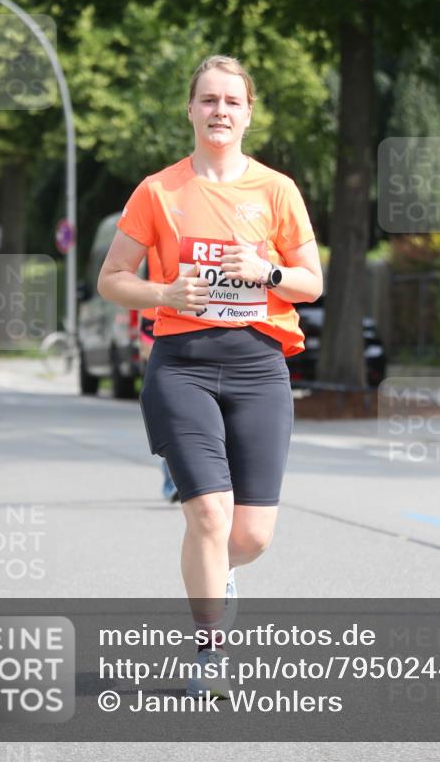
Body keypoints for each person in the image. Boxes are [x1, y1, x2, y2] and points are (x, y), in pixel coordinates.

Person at [97, 54, 323, 697]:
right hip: (183, 368)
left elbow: (311, 281)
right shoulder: (158, 191)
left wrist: (267, 273)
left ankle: (217, 574)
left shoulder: (277, 190)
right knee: (207, 516)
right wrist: (166, 293)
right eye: (208, 100)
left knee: (248, 535)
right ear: (190, 110)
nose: (220, 111)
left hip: (258, 367)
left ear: (248, 114)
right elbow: (112, 280)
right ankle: (210, 649)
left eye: (232, 101)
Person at [138, 247, 179, 502]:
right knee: (170, 406)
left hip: (193, 317)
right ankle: (172, 481)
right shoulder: (154, 224)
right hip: (154, 314)